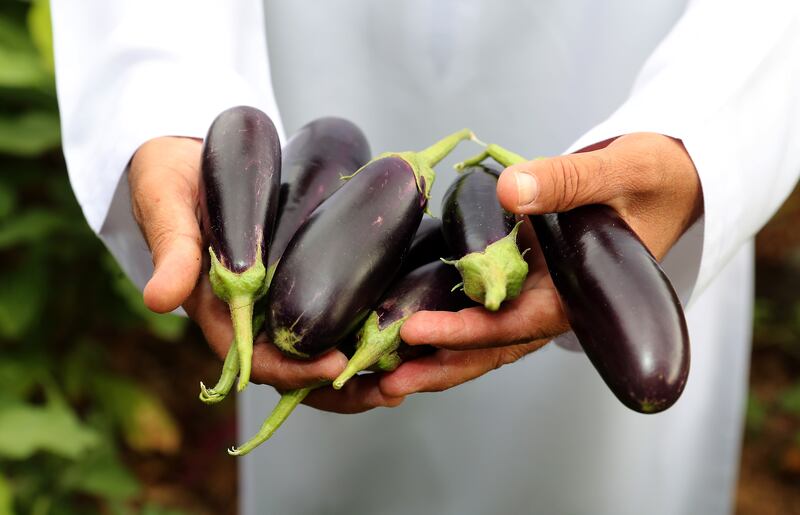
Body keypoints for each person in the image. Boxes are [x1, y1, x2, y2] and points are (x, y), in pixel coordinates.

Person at [51, 1, 800, 514]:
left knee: (599, 467)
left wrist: (702, 127)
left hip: (648, 65)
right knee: (326, 417)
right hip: (313, 82)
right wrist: (167, 98)